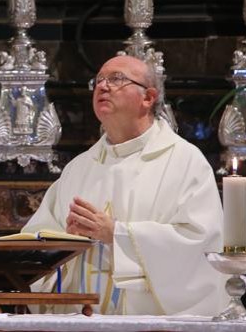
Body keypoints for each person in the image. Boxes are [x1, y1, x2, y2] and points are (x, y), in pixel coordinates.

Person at [23, 55, 229, 315]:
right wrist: (64, 242)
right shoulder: (79, 168)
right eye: (98, 81)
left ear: (148, 97)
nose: (103, 86)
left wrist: (117, 235)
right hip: (79, 321)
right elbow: (35, 242)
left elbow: (200, 245)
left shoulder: (184, 162)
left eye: (117, 79)